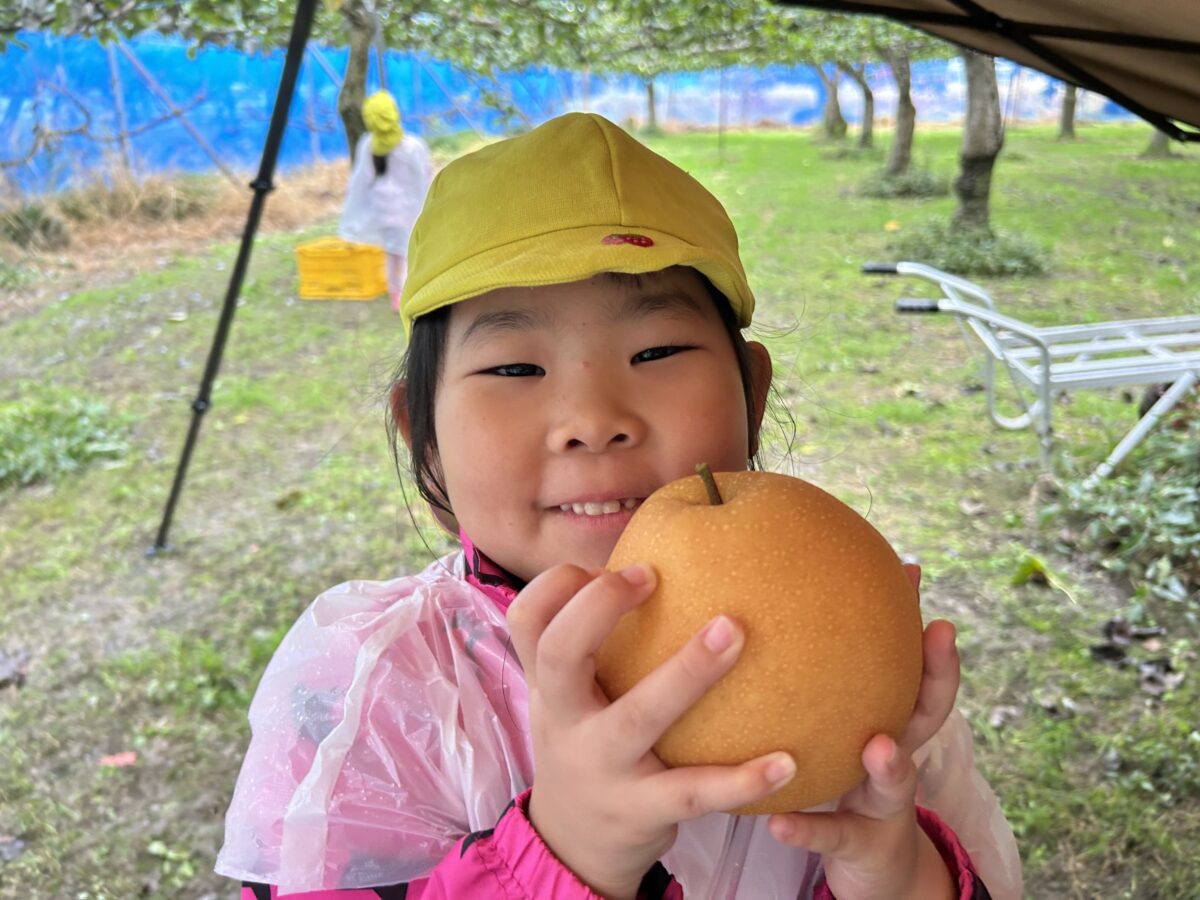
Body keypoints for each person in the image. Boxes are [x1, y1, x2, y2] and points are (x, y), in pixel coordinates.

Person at [217, 113, 1023, 899]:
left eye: (658, 351)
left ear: (753, 392)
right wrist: (563, 855)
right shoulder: (371, 690)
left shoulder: (856, 650)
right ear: (421, 433)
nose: (594, 419)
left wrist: (894, 874)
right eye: (513, 368)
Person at [339, 90, 434, 311]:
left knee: (394, 253)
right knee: (410, 253)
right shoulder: (412, 146)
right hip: (408, 210)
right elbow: (425, 177)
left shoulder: (368, 145)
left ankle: (396, 294)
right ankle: (409, 295)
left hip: (385, 210)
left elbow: (366, 178)